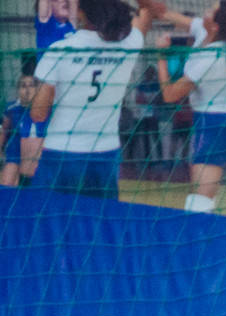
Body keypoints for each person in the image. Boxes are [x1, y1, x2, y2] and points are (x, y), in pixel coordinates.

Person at [33, 0, 144, 198]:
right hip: (105, 153)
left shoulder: (59, 50)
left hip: (62, 152)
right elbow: (150, 10)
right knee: (100, 216)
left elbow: (38, 114)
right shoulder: (128, 45)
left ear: (81, 13)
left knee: (51, 215)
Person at [155, 0, 226, 213]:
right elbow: (165, 14)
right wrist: (149, 7)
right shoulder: (205, 32)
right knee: (201, 202)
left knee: (199, 205)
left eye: (211, 10)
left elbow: (169, 94)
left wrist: (161, 56)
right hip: (209, 122)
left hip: (213, 127)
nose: (206, 11)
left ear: (215, 26)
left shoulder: (210, 60)